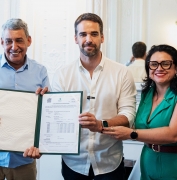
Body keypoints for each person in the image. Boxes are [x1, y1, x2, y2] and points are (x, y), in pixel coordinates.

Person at [52, 13, 136, 180]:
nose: (88, 39)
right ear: (76, 38)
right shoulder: (62, 74)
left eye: (94, 34)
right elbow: (55, 117)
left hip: (110, 162)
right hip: (73, 164)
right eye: (83, 34)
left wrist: (100, 124)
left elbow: (128, 114)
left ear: (102, 37)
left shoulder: (122, 72)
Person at [103, 44, 177, 180]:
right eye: (154, 64)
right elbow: (138, 125)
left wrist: (131, 134)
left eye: (166, 64)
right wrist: (103, 124)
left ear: (176, 68)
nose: (159, 68)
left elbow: (174, 134)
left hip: (173, 165)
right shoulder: (147, 93)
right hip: (148, 161)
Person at [0, 18, 50, 180]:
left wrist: (46, 101)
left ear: (29, 41)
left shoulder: (40, 72)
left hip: (25, 159)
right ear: (2, 42)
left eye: (19, 40)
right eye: (8, 41)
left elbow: (46, 116)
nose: (14, 47)